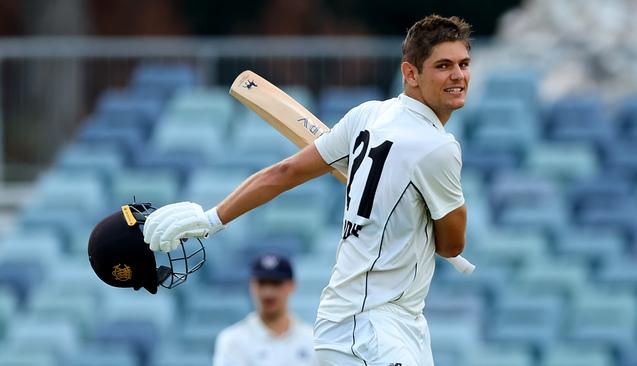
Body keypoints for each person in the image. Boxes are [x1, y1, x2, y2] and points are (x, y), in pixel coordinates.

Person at [144, 13, 470, 365]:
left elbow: (285, 171)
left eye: (464, 64)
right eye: (443, 65)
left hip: (392, 321)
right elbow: (452, 244)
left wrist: (212, 217)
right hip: (367, 324)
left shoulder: (368, 115)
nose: (458, 75)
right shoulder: (439, 148)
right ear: (410, 74)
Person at [213, 253, 318, 366]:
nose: (268, 292)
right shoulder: (233, 340)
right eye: (262, 283)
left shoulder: (312, 340)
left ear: (291, 286)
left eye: (276, 283)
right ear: (252, 285)